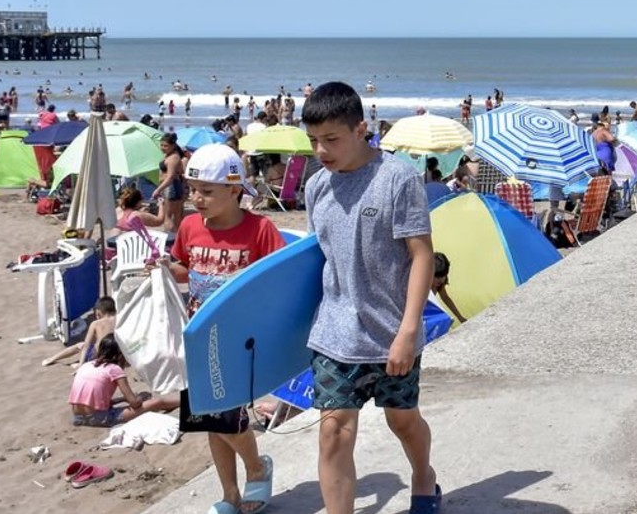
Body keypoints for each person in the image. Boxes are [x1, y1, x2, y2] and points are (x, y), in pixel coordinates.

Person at [300, 82, 442, 514]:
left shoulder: (396, 179)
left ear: (361, 129)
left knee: (403, 421)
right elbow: (317, 261)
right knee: (333, 431)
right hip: (335, 333)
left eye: (331, 139)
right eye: (313, 142)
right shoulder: (316, 187)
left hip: (391, 330)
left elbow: (422, 256)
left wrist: (408, 331)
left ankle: (424, 475)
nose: (321, 151)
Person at [159, 143, 285, 514]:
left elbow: (279, 278)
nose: (196, 198)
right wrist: (166, 269)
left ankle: (258, 469)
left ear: (235, 190)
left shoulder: (259, 229)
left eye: (207, 191)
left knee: (228, 416)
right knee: (209, 420)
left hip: (239, 338)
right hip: (198, 333)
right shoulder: (189, 226)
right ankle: (230, 494)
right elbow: (185, 268)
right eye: (193, 189)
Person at [68, 334, 147, 427]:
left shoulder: (86, 365)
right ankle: (168, 403)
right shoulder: (115, 369)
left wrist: (121, 399)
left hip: (77, 417)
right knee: (155, 403)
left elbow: (96, 400)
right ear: (120, 355)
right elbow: (135, 404)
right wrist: (142, 398)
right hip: (98, 417)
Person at [43, 296, 118, 367]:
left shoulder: (95, 324)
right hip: (117, 354)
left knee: (80, 346)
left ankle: (53, 358)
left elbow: (86, 346)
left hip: (100, 356)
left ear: (98, 313)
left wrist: (80, 365)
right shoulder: (119, 319)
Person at [151, 134, 187, 233]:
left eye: (165, 146)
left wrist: (158, 190)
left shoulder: (173, 158)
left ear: (173, 145)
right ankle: (177, 239)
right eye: (161, 145)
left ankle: (169, 239)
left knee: (168, 217)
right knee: (176, 216)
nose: (163, 148)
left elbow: (170, 177)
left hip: (172, 187)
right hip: (172, 187)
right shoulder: (169, 155)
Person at [430, 252, 465, 323]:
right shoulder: (422, 283)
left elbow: (445, 298)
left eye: (444, 276)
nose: (441, 279)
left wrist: (460, 317)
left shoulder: (439, 283)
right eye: (437, 277)